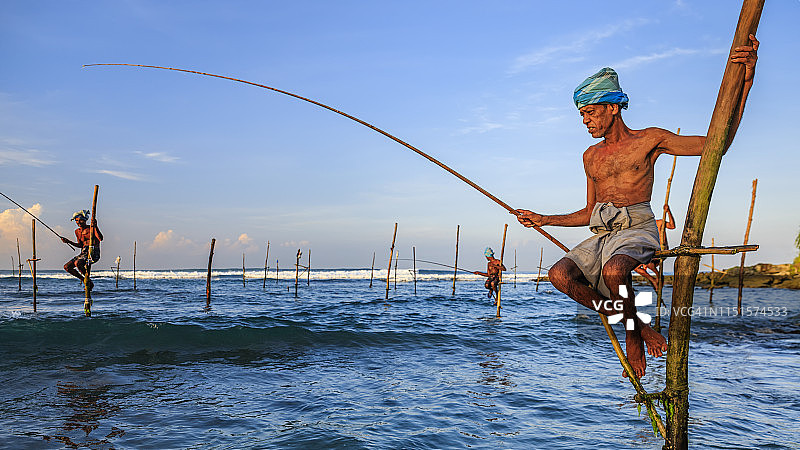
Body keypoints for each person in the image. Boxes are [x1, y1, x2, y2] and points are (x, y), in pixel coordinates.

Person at [514, 36, 758, 378]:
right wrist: (544, 218)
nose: (585, 121)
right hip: (603, 233)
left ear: (613, 108)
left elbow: (718, 144)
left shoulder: (649, 140)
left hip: (638, 228)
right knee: (559, 275)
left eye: (590, 112)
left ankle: (633, 331)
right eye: (582, 114)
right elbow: (588, 213)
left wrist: (746, 80)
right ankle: (639, 328)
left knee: (615, 271)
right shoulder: (590, 156)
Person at [634, 204, 676, 288]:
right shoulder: (645, 228)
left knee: (649, 264)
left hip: (662, 250)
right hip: (652, 253)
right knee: (636, 268)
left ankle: (659, 276)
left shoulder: (660, 223)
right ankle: (653, 279)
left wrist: (668, 211)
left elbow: (672, 226)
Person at [62, 210, 103, 291]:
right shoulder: (77, 231)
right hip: (83, 253)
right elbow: (80, 245)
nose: (78, 222)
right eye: (76, 220)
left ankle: (87, 280)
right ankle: (85, 280)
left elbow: (100, 238)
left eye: (80, 220)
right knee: (67, 267)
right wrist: (68, 241)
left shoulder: (91, 228)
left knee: (78, 263)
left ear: (85, 220)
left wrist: (96, 226)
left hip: (93, 252)